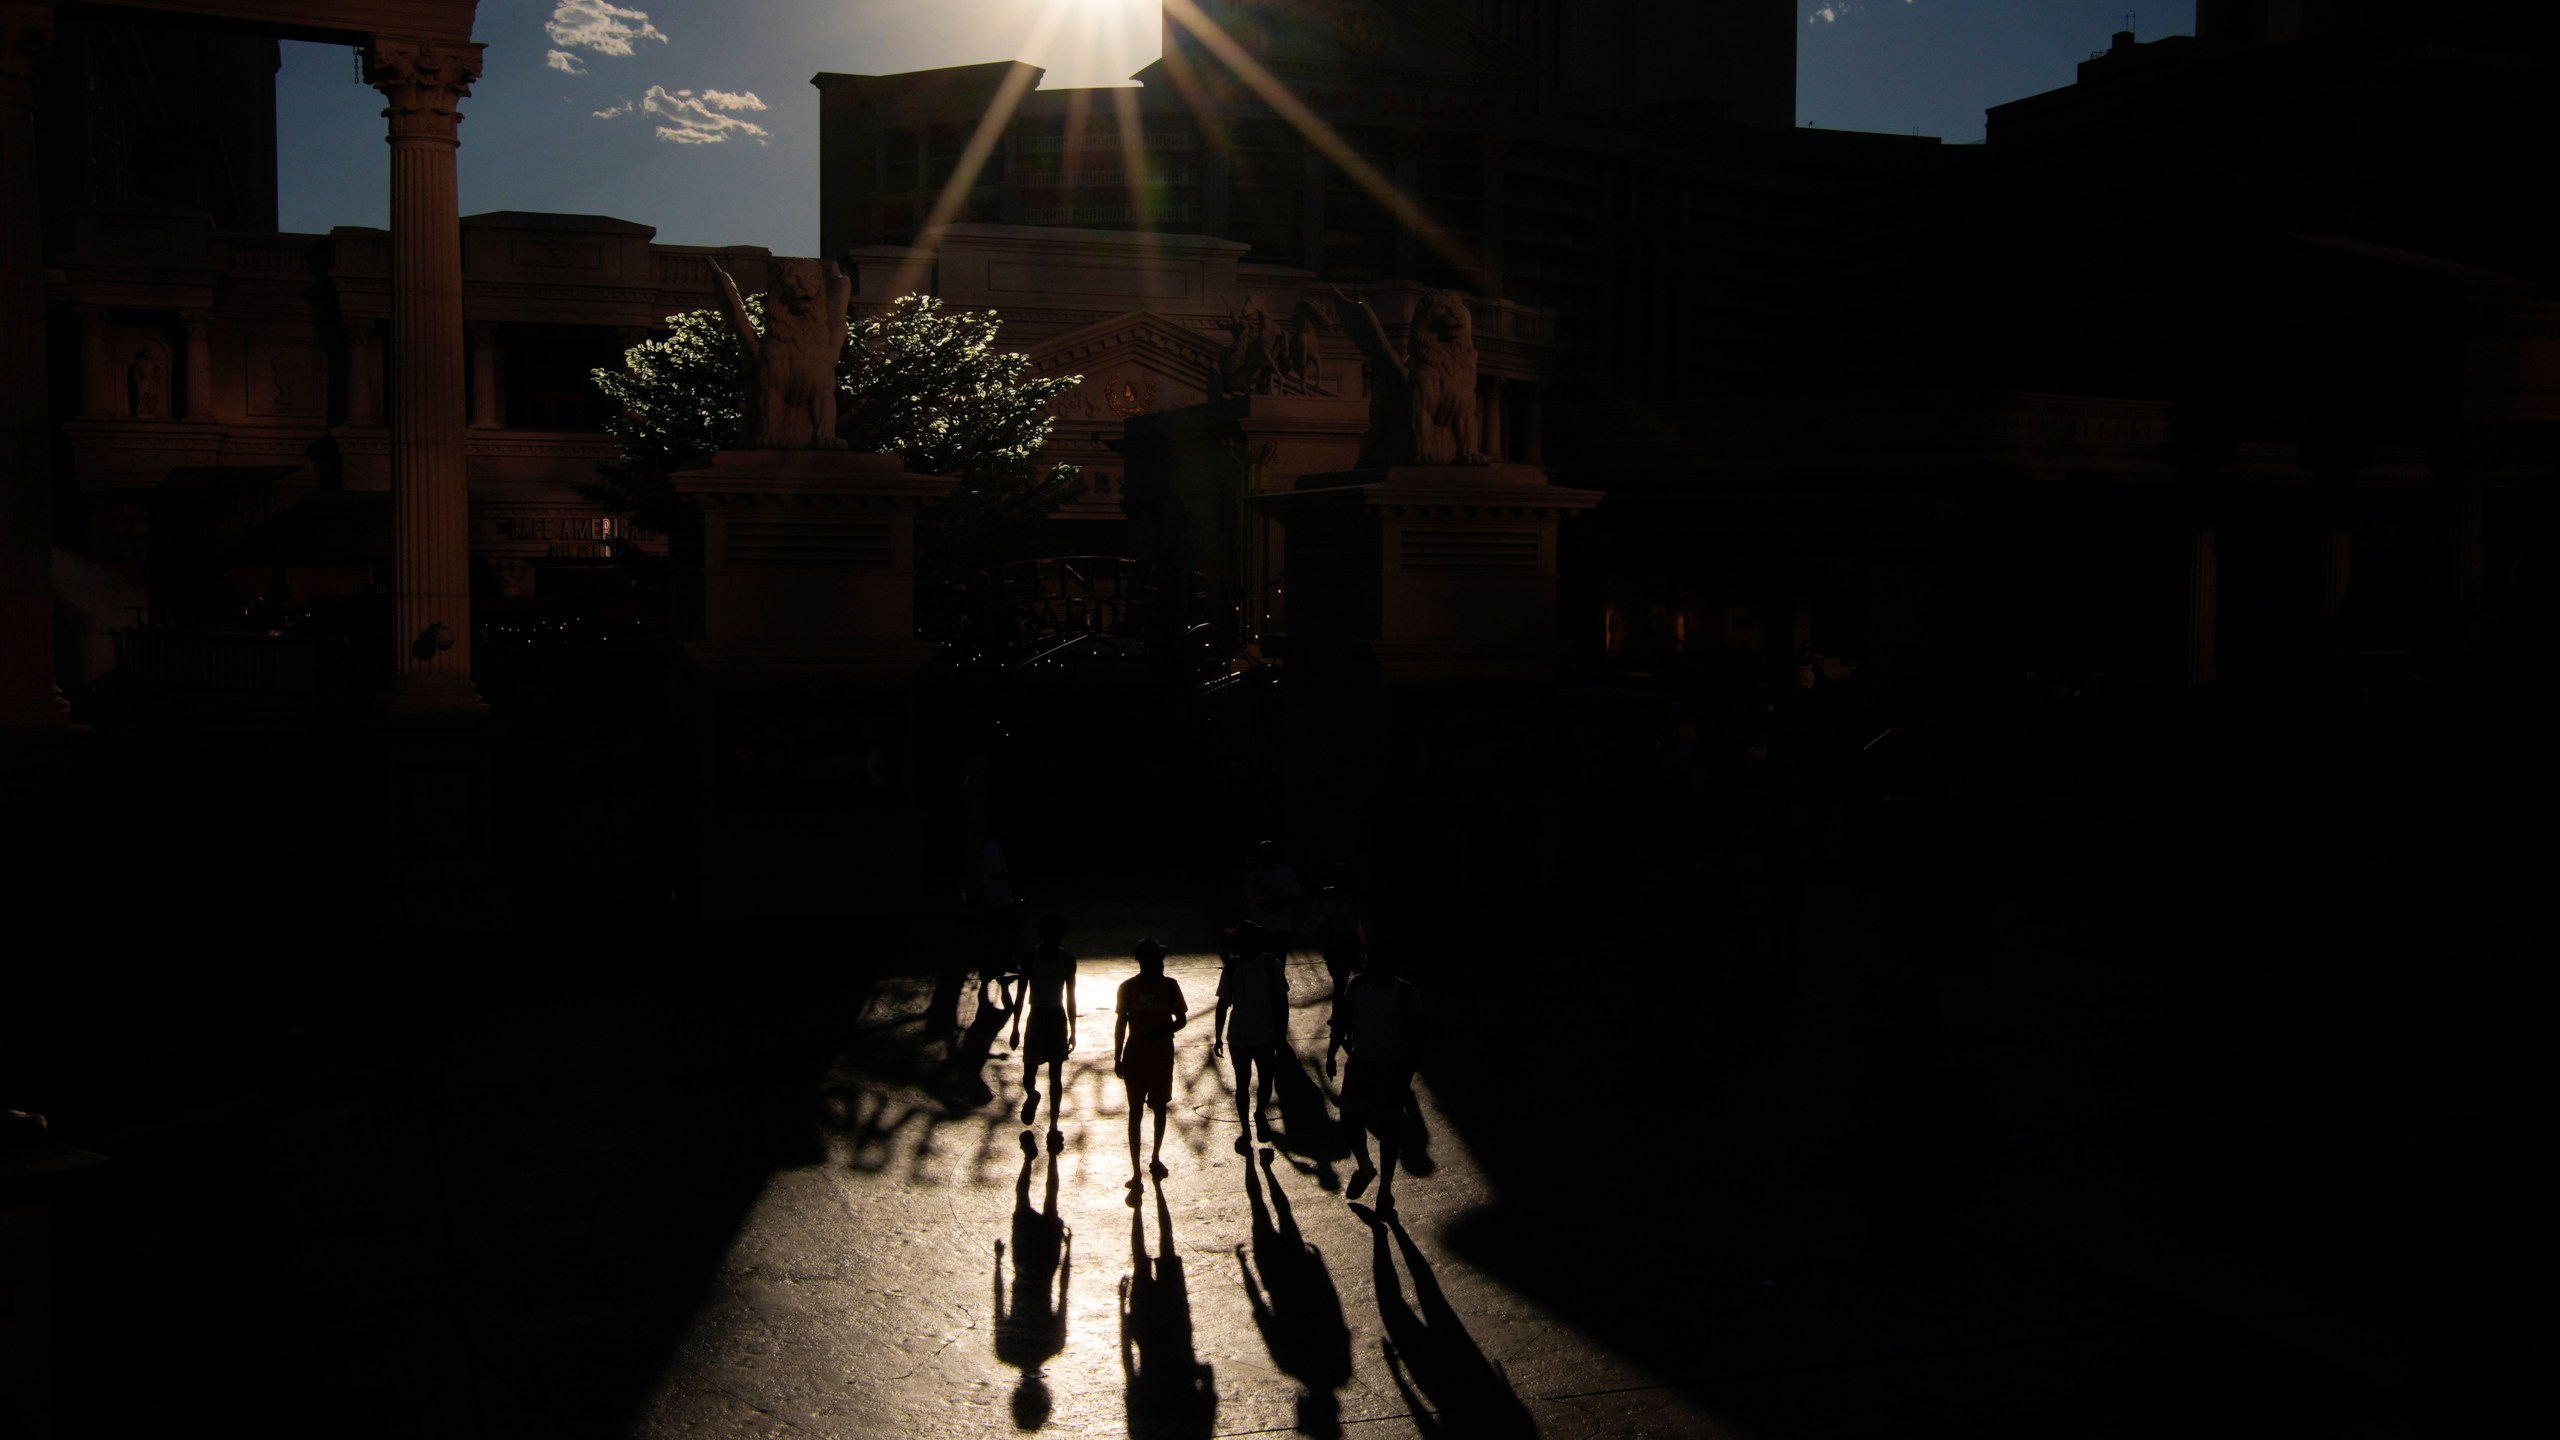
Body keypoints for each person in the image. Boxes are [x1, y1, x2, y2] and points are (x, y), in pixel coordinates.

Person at [1326, 937, 1426, 1213]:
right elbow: (1343, 1019)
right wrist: (1332, 1052)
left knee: (1389, 1131)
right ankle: (1366, 1167)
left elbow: (1416, 1043)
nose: (1366, 964)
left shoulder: (1407, 994)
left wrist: (1404, 1080)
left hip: (1391, 1068)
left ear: (1389, 964)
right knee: (1349, 1121)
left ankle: (1385, 1190)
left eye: (1372, 960)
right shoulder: (1357, 985)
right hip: (1360, 1063)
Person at [1113, 938, 1189, 1190]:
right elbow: (1121, 1023)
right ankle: (1139, 1166)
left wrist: (1159, 1031)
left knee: (1155, 1108)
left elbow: (1181, 1020)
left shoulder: (1169, 987)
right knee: (1139, 1111)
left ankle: (1153, 1158)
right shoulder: (1128, 988)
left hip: (1157, 1054)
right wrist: (1118, 1056)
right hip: (1140, 1054)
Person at [1213, 920, 1290, 1154]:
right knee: (1246, 1083)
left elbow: (1281, 1002)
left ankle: (1255, 1117)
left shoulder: (1270, 965)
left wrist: (1281, 1035)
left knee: (1261, 1081)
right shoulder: (1235, 967)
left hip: (1259, 1034)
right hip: (1242, 1036)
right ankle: (1249, 1124)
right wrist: (1218, 1036)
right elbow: (1223, 1003)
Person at [1018, 912, 1077, 1144]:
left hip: (1050, 1016)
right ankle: (1033, 1096)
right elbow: (1021, 994)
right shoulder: (1032, 957)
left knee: (1055, 1075)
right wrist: (1015, 1027)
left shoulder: (1063, 960)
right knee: (1030, 1073)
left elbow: (1071, 997)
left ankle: (1053, 1125)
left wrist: (1073, 1029)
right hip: (1045, 1016)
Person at [1304, 863, 1371, 997]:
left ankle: (1339, 1009)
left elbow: (1315, 915)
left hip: (1342, 941)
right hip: (1336, 941)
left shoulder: (1330, 894)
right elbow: (1362, 921)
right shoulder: (1350, 896)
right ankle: (1341, 1007)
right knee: (1339, 978)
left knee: (1339, 979)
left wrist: (1306, 932)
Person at [1244, 840, 1305, 955]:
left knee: (1277, 960)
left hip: (1279, 927)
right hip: (1258, 926)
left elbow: (1297, 897)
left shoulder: (1286, 873)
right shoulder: (1253, 875)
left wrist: (1280, 904)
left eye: (1269, 852)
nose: (1266, 855)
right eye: (1264, 852)